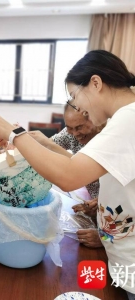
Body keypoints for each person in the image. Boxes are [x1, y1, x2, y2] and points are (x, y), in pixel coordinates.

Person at [0, 50, 135, 299]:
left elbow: (69, 175)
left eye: (75, 96)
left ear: (96, 83)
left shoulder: (129, 119)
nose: (79, 108)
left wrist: (13, 133)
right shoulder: (124, 118)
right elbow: (77, 165)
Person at [29, 103, 104, 248]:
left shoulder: (107, 140)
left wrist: (105, 237)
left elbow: (82, 169)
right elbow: (46, 149)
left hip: (118, 216)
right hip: (98, 209)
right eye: (69, 127)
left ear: (96, 119)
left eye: (80, 127)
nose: (75, 133)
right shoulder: (71, 133)